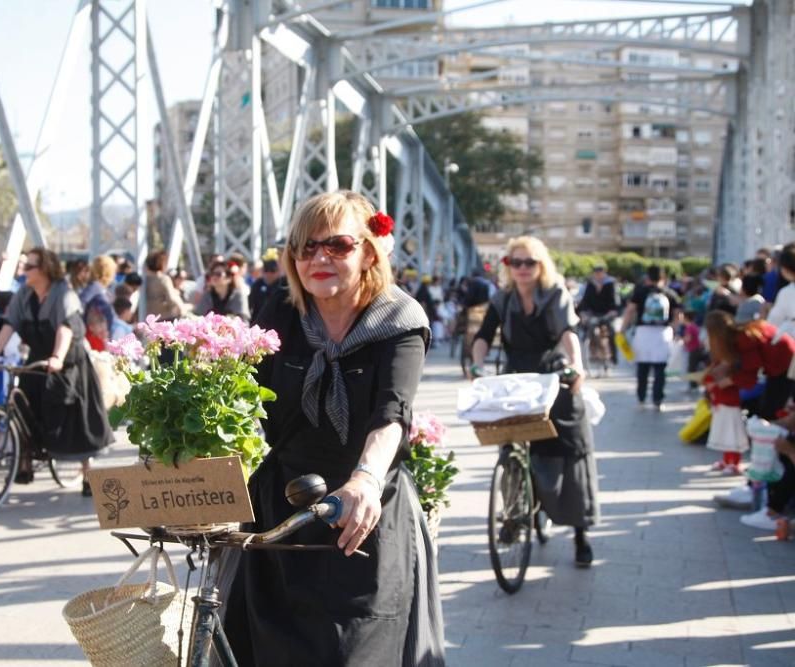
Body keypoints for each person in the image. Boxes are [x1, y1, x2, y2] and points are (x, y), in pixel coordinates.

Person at [223, 191, 444, 665]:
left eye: (337, 245)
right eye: (305, 247)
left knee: (355, 651)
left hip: (361, 517)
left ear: (369, 251)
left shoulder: (399, 321)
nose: (318, 258)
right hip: (282, 512)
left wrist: (364, 479)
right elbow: (240, 399)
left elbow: (392, 415)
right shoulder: (280, 315)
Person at [471, 236, 600, 567]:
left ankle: (581, 536)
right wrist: (477, 365)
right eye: (516, 263)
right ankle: (516, 516)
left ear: (542, 265)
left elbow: (567, 334)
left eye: (530, 262)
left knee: (570, 451)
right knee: (510, 448)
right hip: (517, 382)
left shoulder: (555, 294)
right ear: (508, 267)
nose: (523, 269)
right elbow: (483, 336)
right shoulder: (503, 299)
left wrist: (577, 367)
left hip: (555, 379)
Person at [0, 248, 112, 496]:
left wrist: (57, 357)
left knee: (74, 414)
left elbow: (66, 328)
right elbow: (9, 325)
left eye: (30, 266)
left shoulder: (63, 293)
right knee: (23, 402)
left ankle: (88, 472)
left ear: (44, 269)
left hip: (67, 360)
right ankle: (24, 460)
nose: (24, 271)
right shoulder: (23, 294)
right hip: (38, 356)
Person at [620, 265, 681, 412]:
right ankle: (657, 400)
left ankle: (641, 399)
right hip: (662, 333)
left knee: (643, 368)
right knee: (660, 369)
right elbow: (678, 316)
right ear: (663, 278)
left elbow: (630, 311)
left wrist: (622, 329)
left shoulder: (640, 292)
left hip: (643, 333)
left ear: (648, 278)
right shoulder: (670, 293)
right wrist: (673, 330)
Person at [577, 264, 621, 364]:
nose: (598, 276)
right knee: (590, 328)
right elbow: (585, 301)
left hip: (607, 313)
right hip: (593, 313)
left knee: (611, 331)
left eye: (600, 273)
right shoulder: (590, 284)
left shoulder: (610, 283)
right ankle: (593, 351)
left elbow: (615, 301)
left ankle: (613, 356)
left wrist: (613, 311)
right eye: (596, 273)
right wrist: (583, 312)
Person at [143, 249, 189, 320]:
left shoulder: (145, 279)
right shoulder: (163, 279)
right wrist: (182, 310)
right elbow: (171, 298)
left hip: (148, 317)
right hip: (165, 316)